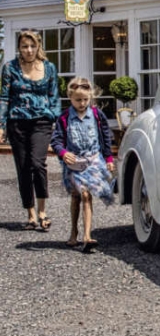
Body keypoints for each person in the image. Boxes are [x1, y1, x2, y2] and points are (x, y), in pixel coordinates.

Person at [0, 30, 60, 231]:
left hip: (41, 122)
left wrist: (54, 117)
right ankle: (31, 214)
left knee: (37, 163)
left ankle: (43, 211)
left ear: (38, 46)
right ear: (19, 47)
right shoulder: (10, 68)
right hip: (17, 122)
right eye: (25, 46)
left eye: (32, 46)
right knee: (23, 167)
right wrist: (1, 125)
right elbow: (4, 98)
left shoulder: (49, 68)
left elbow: (54, 96)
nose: (29, 50)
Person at [50, 77, 116, 253]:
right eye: (78, 100)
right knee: (76, 197)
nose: (82, 103)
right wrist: (63, 154)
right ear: (70, 98)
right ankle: (74, 231)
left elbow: (106, 137)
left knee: (87, 196)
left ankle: (87, 236)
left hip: (93, 160)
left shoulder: (96, 115)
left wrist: (109, 159)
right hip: (74, 163)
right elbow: (56, 141)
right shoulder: (64, 118)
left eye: (85, 99)